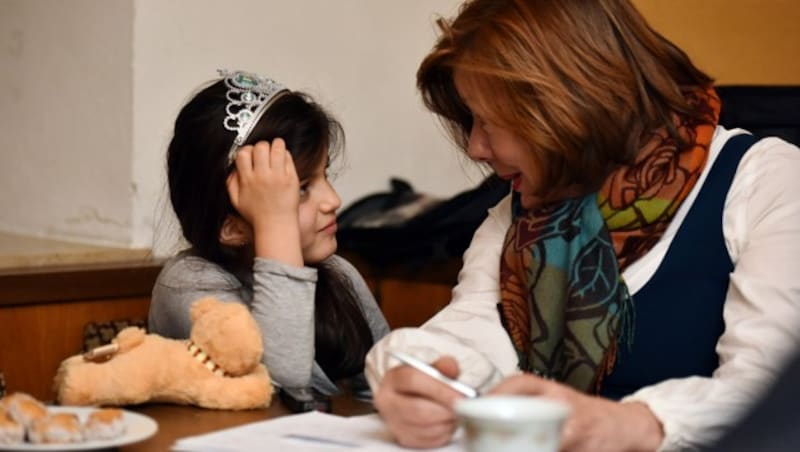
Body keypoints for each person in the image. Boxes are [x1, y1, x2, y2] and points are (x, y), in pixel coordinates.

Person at [364, 1, 800, 451]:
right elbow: (469, 338)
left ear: (571, 102)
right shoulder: (515, 216)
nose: (475, 147)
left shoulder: (767, 181)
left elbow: (770, 394)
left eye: (488, 120)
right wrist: (411, 374)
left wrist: (636, 424)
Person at [149, 69, 389, 396]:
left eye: (326, 174)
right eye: (301, 189)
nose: (334, 200)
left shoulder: (337, 273)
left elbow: (384, 387)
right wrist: (276, 225)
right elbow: (282, 384)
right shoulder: (188, 284)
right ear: (232, 228)